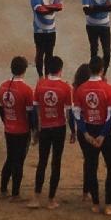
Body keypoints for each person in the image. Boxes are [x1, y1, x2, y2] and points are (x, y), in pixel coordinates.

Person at [72, 60, 111, 215]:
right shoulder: (108, 88)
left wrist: (86, 134)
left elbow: (77, 115)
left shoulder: (80, 89)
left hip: (88, 129)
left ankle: (95, 203)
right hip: (104, 131)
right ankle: (108, 204)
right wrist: (102, 135)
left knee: (91, 166)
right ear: (102, 70)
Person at [30, 54, 72, 209]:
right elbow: (68, 112)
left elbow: (35, 109)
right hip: (59, 127)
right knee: (56, 162)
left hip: (45, 127)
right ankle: (51, 199)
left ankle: (36, 197)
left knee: (42, 161)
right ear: (60, 70)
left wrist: (36, 129)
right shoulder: (65, 87)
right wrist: (73, 131)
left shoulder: (40, 85)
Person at [0, 56, 35, 200]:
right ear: (24, 70)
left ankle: (3, 189)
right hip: (22, 130)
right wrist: (34, 130)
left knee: (10, 158)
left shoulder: (3, 87)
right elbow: (31, 114)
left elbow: (0, 109)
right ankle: (15, 193)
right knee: (19, 161)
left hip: (9, 129)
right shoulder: (27, 90)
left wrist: (6, 122)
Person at [29, 0, 63, 76]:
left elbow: (59, 7)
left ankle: (47, 75)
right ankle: (40, 75)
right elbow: (40, 10)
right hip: (39, 31)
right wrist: (52, 8)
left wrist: (46, 6)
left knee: (49, 54)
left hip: (51, 30)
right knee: (40, 54)